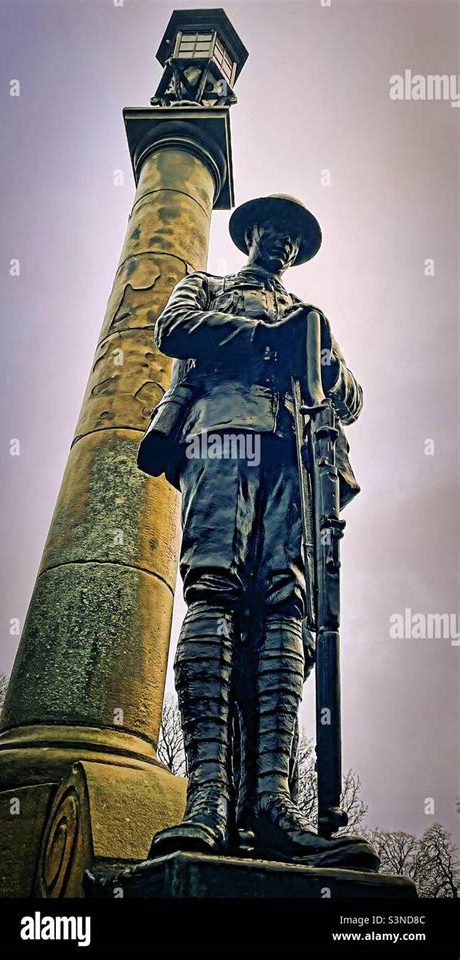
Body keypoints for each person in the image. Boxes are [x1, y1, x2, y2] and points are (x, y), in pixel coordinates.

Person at [138, 194, 379, 870]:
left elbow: (352, 398)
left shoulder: (310, 317)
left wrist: (322, 358)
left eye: (292, 238)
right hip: (222, 436)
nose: (281, 243)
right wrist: (264, 341)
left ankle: (271, 802)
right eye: (272, 230)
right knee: (214, 588)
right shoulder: (209, 287)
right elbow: (174, 326)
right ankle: (208, 797)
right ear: (252, 236)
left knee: (285, 603)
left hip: (299, 454)